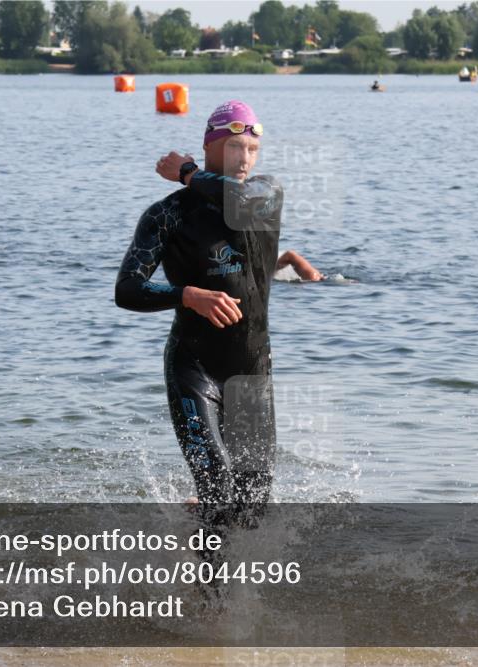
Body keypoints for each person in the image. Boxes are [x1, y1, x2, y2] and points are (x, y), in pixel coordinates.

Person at [115, 100, 283, 524]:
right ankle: (216, 592)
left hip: (251, 371)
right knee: (218, 487)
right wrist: (186, 295)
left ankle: (203, 536)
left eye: (251, 149)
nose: (244, 159)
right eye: (232, 147)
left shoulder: (263, 195)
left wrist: (189, 173)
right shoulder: (166, 216)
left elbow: (238, 202)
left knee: (252, 507)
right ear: (210, 147)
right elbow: (128, 290)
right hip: (195, 369)